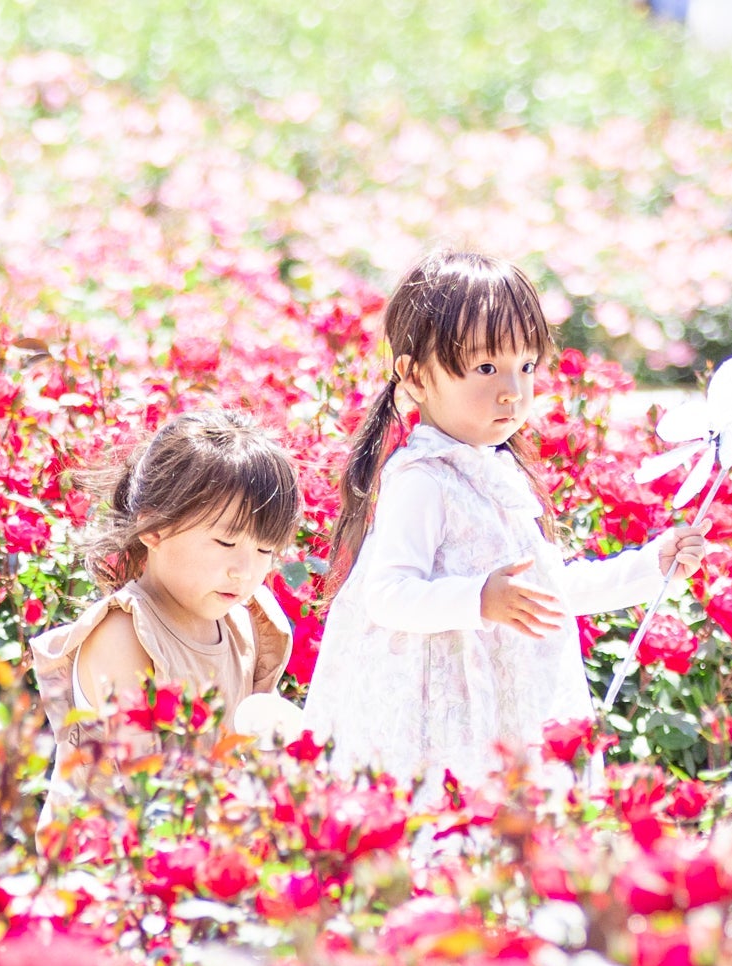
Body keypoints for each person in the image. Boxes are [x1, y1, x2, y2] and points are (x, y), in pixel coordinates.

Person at [304, 250, 709, 790]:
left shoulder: (497, 473)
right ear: (415, 376)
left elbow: (550, 592)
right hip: (440, 717)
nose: (512, 391)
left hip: (504, 708)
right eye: (486, 368)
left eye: (526, 367)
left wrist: (650, 567)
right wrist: (478, 599)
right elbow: (388, 595)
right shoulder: (423, 479)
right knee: (448, 816)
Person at [31, 404, 301, 758]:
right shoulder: (124, 634)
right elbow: (144, 780)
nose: (245, 571)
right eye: (225, 542)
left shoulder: (245, 622)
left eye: (265, 549)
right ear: (154, 528)